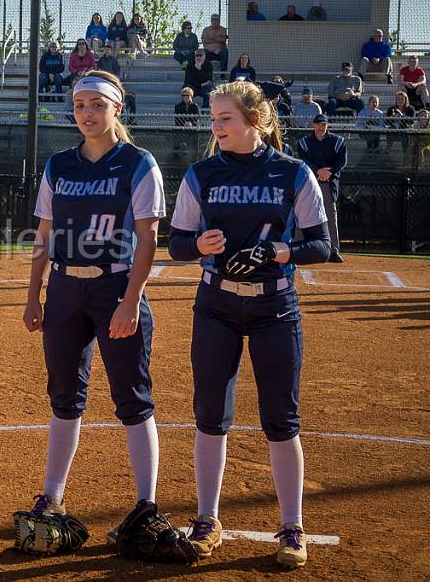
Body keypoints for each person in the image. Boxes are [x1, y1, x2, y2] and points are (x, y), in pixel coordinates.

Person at [168, 80, 331, 569]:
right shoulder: (200, 175)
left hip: (275, 308)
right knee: (210, 416)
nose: (215, 127)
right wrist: (202, 246)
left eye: (224, 119)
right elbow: (175, 244)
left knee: (281, 421)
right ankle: (207, 519)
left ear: (254, 121)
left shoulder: (294, 174)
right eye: (213, 119)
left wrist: (280, 251)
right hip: (216, 304)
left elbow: (321, 245)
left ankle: (291, 526)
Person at [21, 70, 167, 548]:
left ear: (117, 109)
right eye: (80, 105)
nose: (87, 114)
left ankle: (146, 503)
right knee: (64, 396)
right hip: (64, 290)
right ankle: (52, 496)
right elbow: (43, 237)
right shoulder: (59, 165)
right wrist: (33, 295)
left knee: (132, 398)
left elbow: (148, 239)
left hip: (115, 287)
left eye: (97, 105)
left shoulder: (138, 163)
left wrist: (130, 300)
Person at [296, 113, 346, 263]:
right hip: (309, 182)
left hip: (328, 182)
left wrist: (328, 172)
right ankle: (299, 248)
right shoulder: (304, 142)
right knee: (302, 212)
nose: (320, 127)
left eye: (323, 124)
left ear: (327, 125)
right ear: (313, 125)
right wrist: (317, 171)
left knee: (331, 215)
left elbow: (342, 161)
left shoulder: (337, 141)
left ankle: (333, 250)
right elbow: (303, 160)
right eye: (318, 124)